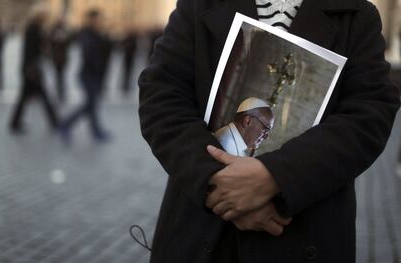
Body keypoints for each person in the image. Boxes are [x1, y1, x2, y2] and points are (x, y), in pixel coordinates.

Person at [138, 0, 400, 262]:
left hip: (306, 228)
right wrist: (219, 185)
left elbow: (368, 114)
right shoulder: (198, 4)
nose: (264, 134)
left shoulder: (356, 13)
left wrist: (277, 176)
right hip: (201, 230)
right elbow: (161, 96)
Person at [59, 9, 112, 143]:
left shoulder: (96, 34)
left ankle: (96, 132)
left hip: (95, 75)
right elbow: (89, 55)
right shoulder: (87, 34)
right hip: (89, 75)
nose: (101, 22)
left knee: (92, 105)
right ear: (92, 20)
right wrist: (98, 66)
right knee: (89, 105)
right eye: (98, 19)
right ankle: (66, 124)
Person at [9, 6, 58, 133]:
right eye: (45, 16)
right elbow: (32, 51)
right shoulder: (34, 29)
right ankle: (55, 122)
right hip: (32, 70)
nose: (47, 18)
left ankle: (15, 122)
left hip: (31, 68)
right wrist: (30, 68)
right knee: (42, 96)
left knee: (26, 97)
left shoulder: (35, 28)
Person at [49, 18, 71, 103]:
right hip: (56, 56)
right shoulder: (53, 30)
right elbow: (49, 41)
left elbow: (69, 42)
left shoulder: (65, 30)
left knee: (61, 75)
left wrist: (64, 39)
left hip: (62, 57)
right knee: (58, 75)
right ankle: (59, 90)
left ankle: (61, 91)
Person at [122, 30, 138, 94]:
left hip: (130, 58)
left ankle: (127, 85)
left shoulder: (133, 40)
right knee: (126, 72)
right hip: (127, 58)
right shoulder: (128, 39)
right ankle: (125, 85)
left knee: (129, 72)